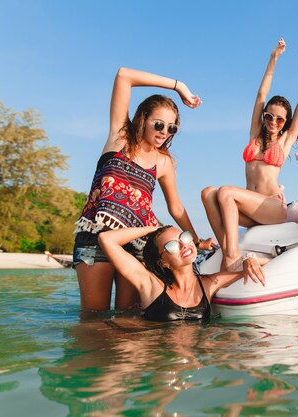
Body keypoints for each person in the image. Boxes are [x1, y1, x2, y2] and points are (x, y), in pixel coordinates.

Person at [73, 67, 214, 312]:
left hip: (138, 244)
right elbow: (123, 76)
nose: (164, 132)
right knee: (93, 322)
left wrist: (196, 240)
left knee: (129, 320)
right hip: (95, 239)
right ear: (143, 118)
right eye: (159, 124)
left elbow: (176, 207)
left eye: (171, 128)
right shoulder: (120, 138)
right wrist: (179, 86)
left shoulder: (164, 162)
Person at [201, 38, 298, 271]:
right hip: (249, 210)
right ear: (264, 116)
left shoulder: (285, 140)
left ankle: (231, 256)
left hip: (271, 208)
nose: (273, 121)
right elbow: (261, 93)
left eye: (279, 119)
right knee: (208, 193)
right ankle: (227, 248)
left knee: (225, 192)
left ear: (285, 123)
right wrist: (273, 58)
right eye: (269, 116)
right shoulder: (255, 134)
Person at [98, 226, 265, 322]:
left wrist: (248, 258)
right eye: (172, 246)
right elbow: (106, 239)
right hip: (151, 353)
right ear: (163, 262)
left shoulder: (210, 283)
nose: (183, 245)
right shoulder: (151, 286)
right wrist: (154, 229)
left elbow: (263, 266)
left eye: (184, 237)